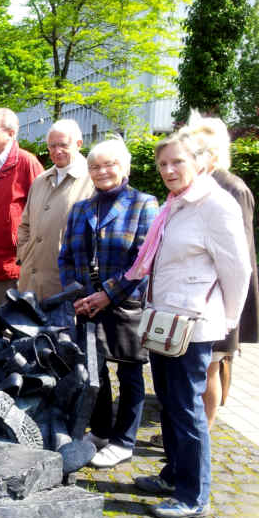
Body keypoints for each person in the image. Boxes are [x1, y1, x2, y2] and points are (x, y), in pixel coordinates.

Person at [130, 132, 250, 518]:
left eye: (177, 162)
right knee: (169, 402)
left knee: (187, 407)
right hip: (166, 320)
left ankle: (194, 495)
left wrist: (226, 322)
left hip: (194, 327)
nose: (168, 170)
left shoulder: (216, 205)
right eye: (162, 164)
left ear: (199, 161)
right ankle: (174, 473)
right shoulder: (176, 204)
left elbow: (238, 269)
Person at [58, 137, 158, 469]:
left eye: (110, 164)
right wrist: (78, 295)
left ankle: (124, 440)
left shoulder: (144, 204)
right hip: (87, 304)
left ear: (124, 167)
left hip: (125, 303)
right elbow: (66, 257)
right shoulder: (80, 208)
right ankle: (100, 431)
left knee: (129, 374)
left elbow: (142, 261)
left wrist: (107, 294)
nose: (102, 171)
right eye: (95, 166)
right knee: (94, 371)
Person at [181, 112, 259, 429]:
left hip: (218, 299)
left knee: (211, 367)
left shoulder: (233, 189)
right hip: (194, 296)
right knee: (197, 369)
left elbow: (239, 258)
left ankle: (205, 428)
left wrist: (231, 314)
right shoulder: (192, 187)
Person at [0, 108, 44, 326]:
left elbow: (41, 210)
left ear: (12, 133)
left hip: (11, 265)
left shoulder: (26, 163)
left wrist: (26, 254)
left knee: (12, 327)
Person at [18, 119, 94, 301]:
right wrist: (24, 253)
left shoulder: (92, 180)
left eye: (63, 145)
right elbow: (25, 223)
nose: (56, 151)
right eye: (52, 146)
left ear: (79, 144)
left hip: (65, 283)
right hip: (31, 280)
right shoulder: (41, 180)